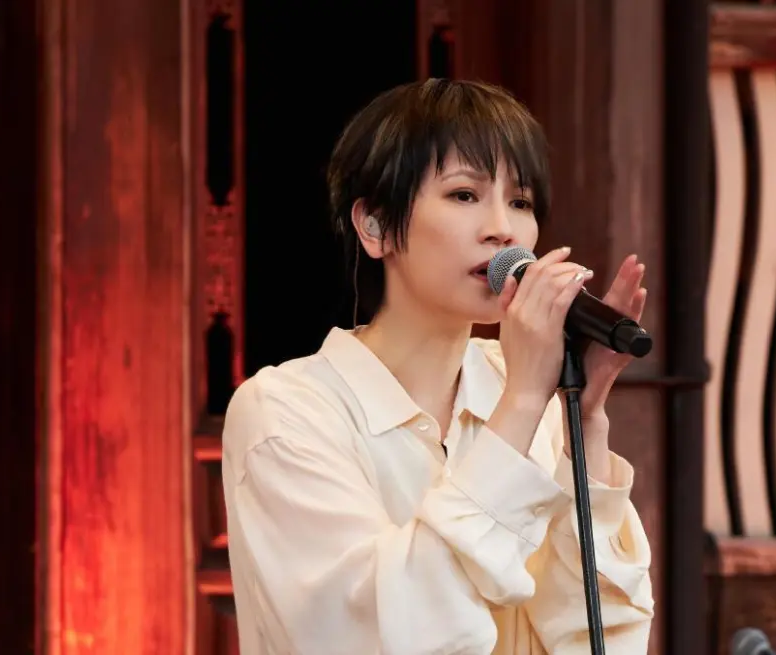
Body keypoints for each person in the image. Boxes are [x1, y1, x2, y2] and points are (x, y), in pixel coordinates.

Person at [221, 78, 654, 655]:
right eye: (464, 195)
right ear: (375, 226)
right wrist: (524, 402)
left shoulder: (522, 386)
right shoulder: (286, 413)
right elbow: (383, 635)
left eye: (520, 202)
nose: (503, 228)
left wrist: (586, 415)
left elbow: (598, 637)